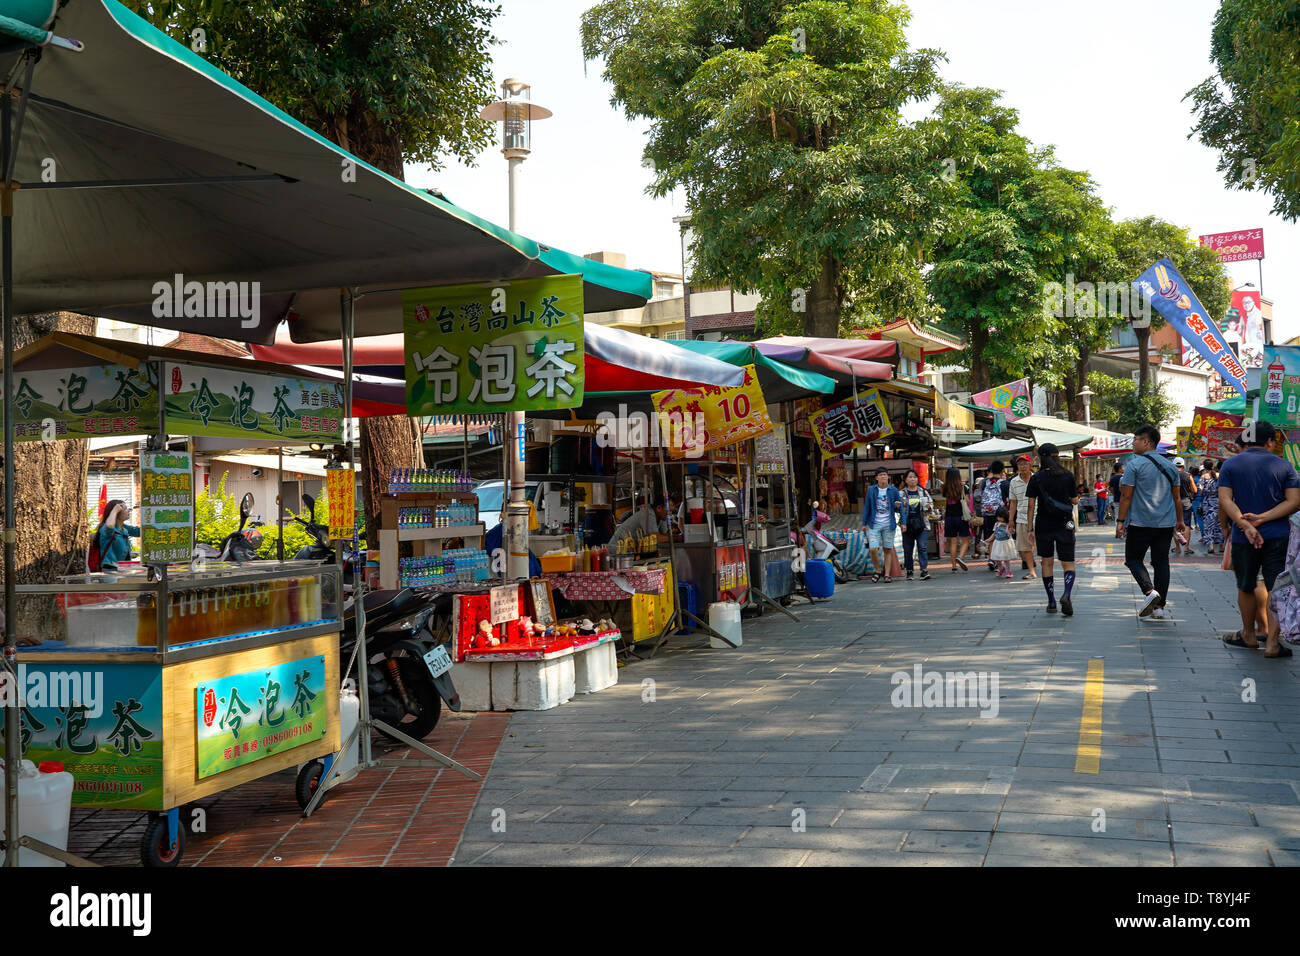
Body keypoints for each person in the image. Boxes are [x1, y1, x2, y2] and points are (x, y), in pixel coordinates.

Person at [1218, 419, 1300, 657]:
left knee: (1246, 585)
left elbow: (1225, 500)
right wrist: (1263, 519)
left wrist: (1244, 524)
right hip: (1278, 535)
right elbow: (1294, 501)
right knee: (1277, 586)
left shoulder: (1230, 465)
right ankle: (1273, 643)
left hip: (1244, 538)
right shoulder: (1284, 466)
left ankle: (1249, 635)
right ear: (1271, 442)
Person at [1117, 425, 1185, 619]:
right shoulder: (1171, 466)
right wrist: (1180, 520)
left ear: (1146, 442)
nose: (1133, 443)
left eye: (1136, 439)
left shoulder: (1134, 465)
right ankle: (1159, 608)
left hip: (1140, 523)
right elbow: (1177, 498)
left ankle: (1149, 592)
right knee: (1161, 562)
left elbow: (1126, 497)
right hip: (1165, 524)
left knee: (1133, 559)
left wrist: (1120, 521)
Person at [1026, 444, 1079, 615]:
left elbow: (1031, 505)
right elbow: (1075, 501)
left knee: (1046, 562)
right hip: (1066, 523)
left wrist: (1029, 529)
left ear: (1041, 457)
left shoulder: (1037, 478)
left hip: (1043, 524)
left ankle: (1051, 602)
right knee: (1068, 563)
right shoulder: (1068, 476)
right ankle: (1067, 594)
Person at [862, 467, 901, 583]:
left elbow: (899, 507)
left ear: (888, 477)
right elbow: (867, 507)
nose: (883, 477)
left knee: (887, 549)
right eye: (881, 475)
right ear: (876, 478)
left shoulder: (893, 490)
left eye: (885, 474)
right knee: (873, 548)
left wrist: (901, 518)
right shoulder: (871, 490)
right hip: (874, 524)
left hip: (889, 524)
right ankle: (878, 570)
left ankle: (887, 574)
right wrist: (864, 523)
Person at [898, 469, 933, 581]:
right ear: (905, 479)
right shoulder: (901, 493)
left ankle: (924, 570)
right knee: (908, 549)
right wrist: (898, 506)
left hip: (922, 524)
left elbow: (931, 507)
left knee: (922, 547)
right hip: (907, 525)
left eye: (914, 477)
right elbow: (897, 509)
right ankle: (910, 571)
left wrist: (928, 506)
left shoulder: (923, 492)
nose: (913, 479)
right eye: (910, 477)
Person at [1007, 454, 1036, 579]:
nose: (1023, 466)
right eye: (1020, 464)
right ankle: (1031, 571)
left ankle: (1045, 568)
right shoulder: (1014, 481)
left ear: (1030, 465)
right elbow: (1013, 502)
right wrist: (1011, 520)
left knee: (1040, 545)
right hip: (1022, 517)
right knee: (1024, 547)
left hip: (1038, 516)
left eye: (1025, 464)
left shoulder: (1037, 479)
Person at [93, 499, 140, 572]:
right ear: (117, 513)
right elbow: (110, 525)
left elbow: (140, 532)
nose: (128, 511)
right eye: (125, 509)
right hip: (110, 572)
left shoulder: (123, 529)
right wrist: (114, 510)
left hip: (123, 570)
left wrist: (145, 509)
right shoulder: (106, 529)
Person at [978, 460, 1010, 566]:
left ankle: (991, 558)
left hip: (987, 513)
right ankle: (999, 561)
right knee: (999, 536)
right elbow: (1009, 499)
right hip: (1000, 514)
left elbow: (981, 496)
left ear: (990, 470)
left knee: (990, 535)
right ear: (1002, 470)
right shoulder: (1005, 483)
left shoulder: (984, 482)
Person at [941, 466, 971, 573]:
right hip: (961, 517)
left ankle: (954, 565)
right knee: (965, 539)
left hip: (949, 517)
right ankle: (961, 557)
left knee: (953, 541)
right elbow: (967, 502)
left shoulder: (945, 487)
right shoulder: (963, 487)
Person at [1172, 457, 1198, 555]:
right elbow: (1194, 490)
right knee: (1186, 525)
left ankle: (1178, 548)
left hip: (1173, 502)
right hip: (1186, 502)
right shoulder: (1188, 475)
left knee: (1175, 524)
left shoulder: (1171, 475)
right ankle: (1186, 548)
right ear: (1183, 466)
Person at [1200, 462, 1224, 555]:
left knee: (1209, 524)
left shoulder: (1203, 476)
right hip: (1220, 502)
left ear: (1205, 467)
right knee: (1220, 523)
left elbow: (1200, 490)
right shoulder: (1220, 475)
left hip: (1208, 503)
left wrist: (1208, 490)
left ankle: (1211, 546)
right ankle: (1221, 546)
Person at [989, 506, 1017, 579]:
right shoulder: (997, 524)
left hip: (1006, 543)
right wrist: (989, 539)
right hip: (998, 543)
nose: (999, 519)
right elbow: (994, 533)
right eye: (998, 517)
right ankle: (1001, 569)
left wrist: (1012, 530)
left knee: (1006, 559)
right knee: (997, 558)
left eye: (1001, 517)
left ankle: (1009, 572)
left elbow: (1012, 531)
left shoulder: (1008, 524)